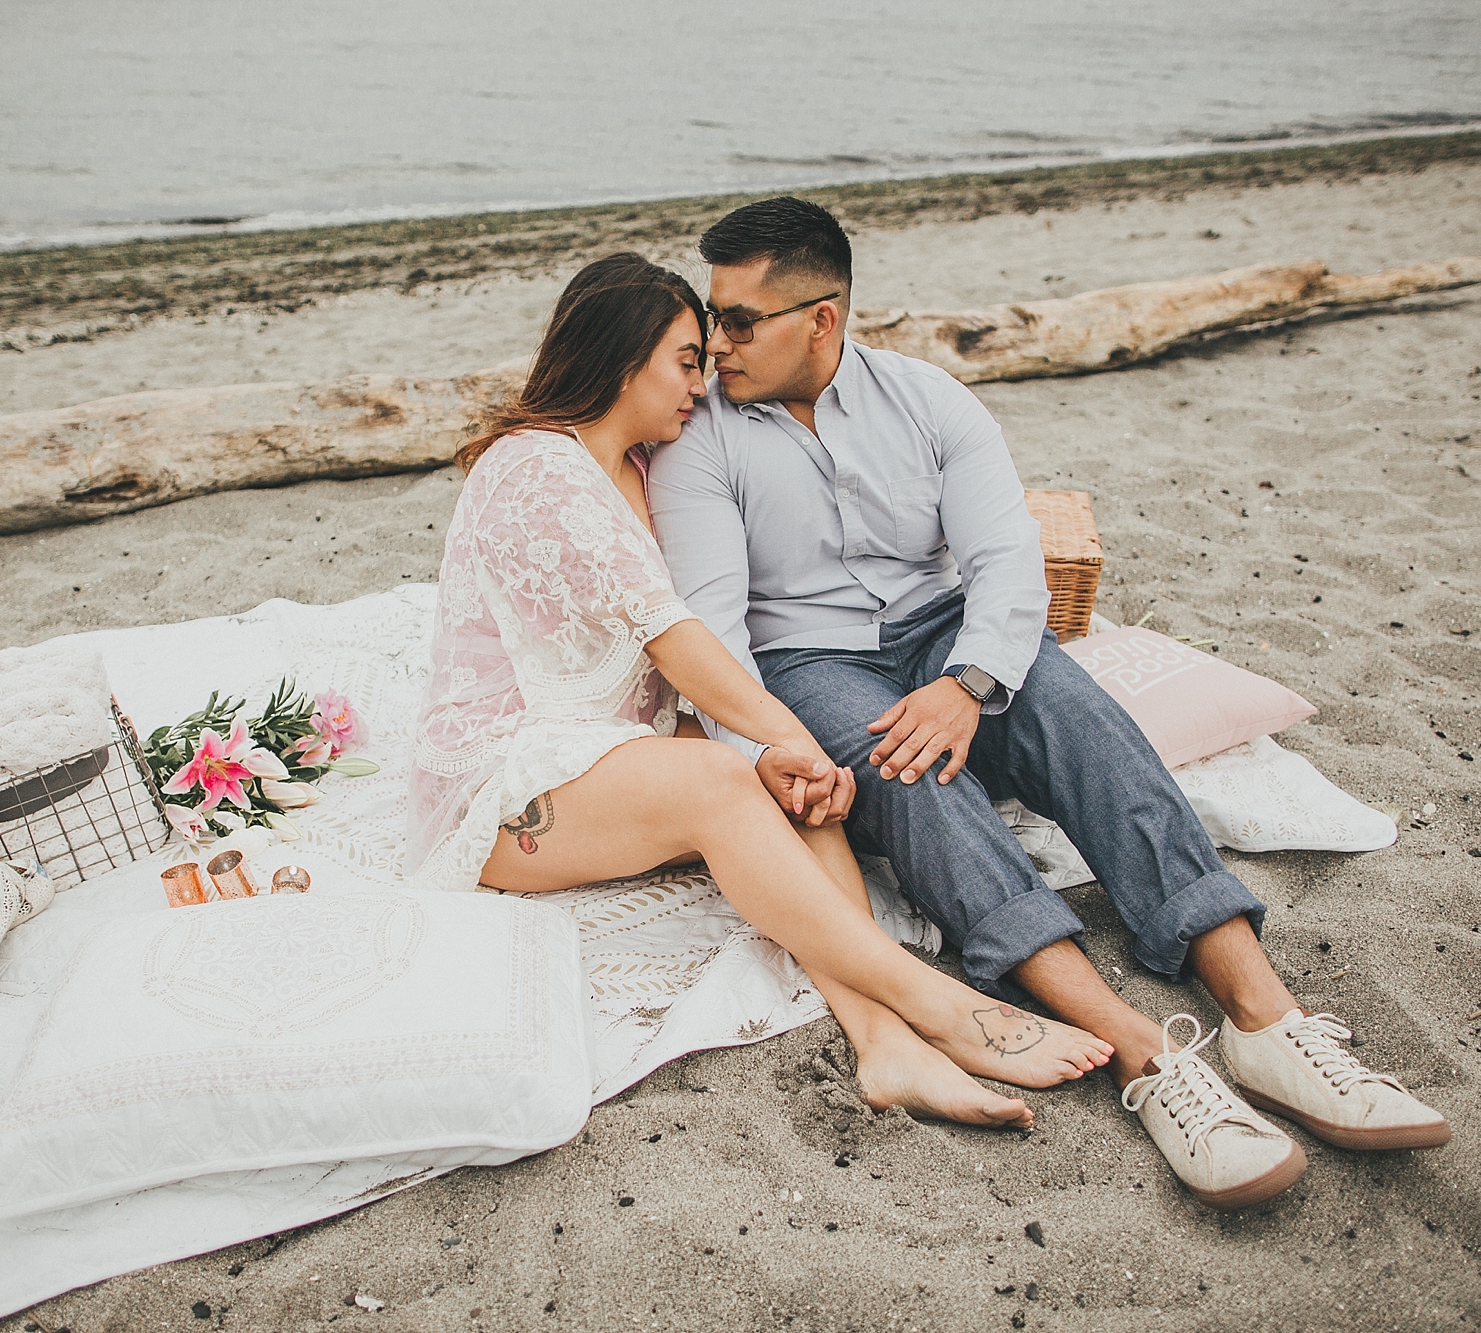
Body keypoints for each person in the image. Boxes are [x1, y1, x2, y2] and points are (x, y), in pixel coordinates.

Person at [647, 196, 1451, 1209]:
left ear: (823, 316)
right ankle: (1146, 1059)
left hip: (946, 631)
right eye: (713, 317)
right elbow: (714, 635)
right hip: (808, 661)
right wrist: (762, 749)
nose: (714, 343)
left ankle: (1266, 1023)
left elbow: (1004, 562)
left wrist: (966, 682)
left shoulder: (929, 399)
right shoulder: (702, 442)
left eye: (738, 320)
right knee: (914, 778)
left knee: (1082, 717)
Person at [407, 252, 1119, 1133]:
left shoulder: (637, 465)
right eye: (684, 359)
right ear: (622, 358)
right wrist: (792, 734)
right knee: (738, 772)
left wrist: (786, 754)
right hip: (505, 784)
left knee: (791, 788)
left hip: (615, 759)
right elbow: (675, 639)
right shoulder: (533, 467)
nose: (701, 383)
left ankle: (881, 1040)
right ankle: (937, 1006)